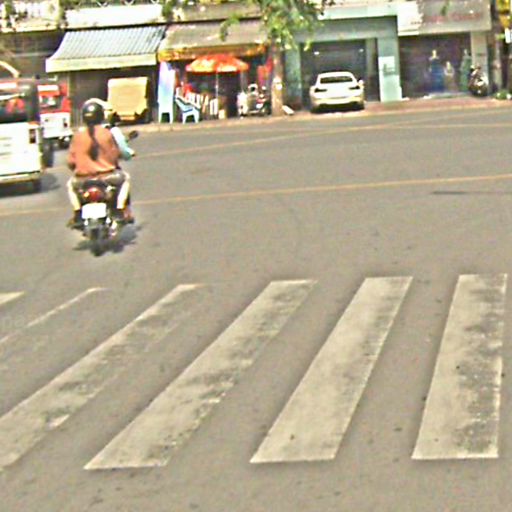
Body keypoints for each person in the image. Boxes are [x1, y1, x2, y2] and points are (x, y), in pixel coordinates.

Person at [66, 101, 134, 228]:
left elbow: (70, 162)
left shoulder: (77, 136)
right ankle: (119, 210)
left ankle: (77, 212)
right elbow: (114, 155)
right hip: (108, 177)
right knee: (125, 178)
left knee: (70, 185)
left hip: (82, 179)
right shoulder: (107, 134)